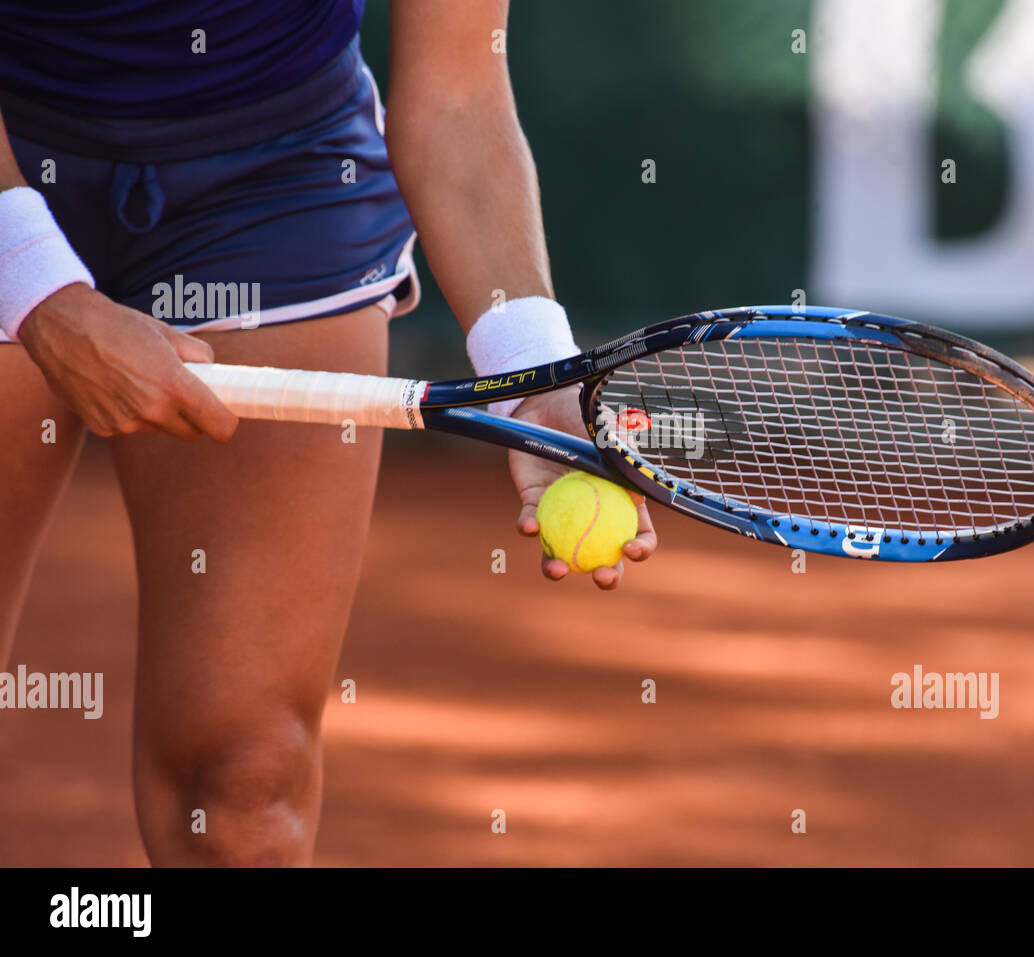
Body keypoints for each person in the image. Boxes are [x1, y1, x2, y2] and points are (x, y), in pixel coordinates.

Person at [0, 0, 657, 866]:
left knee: (244, 788)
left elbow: (456, 96)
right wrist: (37, 288)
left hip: (279, 181)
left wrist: (534, 368)